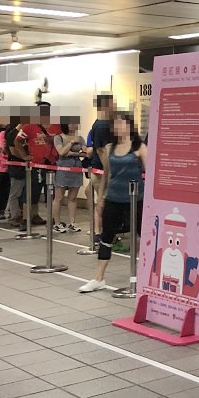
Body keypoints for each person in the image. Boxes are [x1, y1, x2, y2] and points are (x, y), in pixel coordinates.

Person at [78, 111, 147, 293]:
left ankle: (145, 276)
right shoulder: (109, 148)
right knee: (106, 237)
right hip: (113, 198)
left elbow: (151, 174)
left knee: (143, 236)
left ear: (130, 125)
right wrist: (101, 199)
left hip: (136, 199)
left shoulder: (139, 147)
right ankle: (98, 277)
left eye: (122, 124)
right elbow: (107, 175)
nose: (118, 127)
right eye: (115, 124)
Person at [87, 94, 115, 248]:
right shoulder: (102, 125)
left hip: (103, 169)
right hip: (101, 170)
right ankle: (99, 233)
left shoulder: (102, 123)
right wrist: (108, 170)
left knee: (105, 202)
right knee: (103, 202)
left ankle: (103, 232)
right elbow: (101, 150)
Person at [52, 120, 86, 233]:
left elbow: (85, 153)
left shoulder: (80, 138)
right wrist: (71, 143)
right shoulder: (58, 137)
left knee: (73, 197)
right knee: (59, 197)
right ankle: (57, 223)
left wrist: (73, 153)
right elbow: (61, 152)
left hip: (76, 167)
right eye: (71, 122)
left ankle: (72, 222)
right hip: (63, 167)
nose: (74, 124)